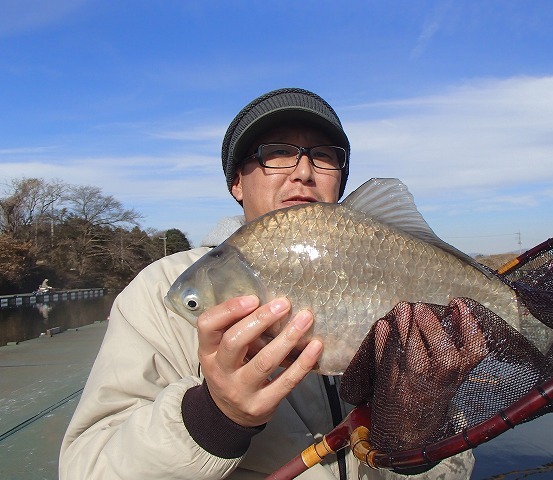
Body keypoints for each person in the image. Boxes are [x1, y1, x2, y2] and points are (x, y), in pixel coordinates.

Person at [59, 88, 477, 479]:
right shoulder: (158, 288)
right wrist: (216, 416)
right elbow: (86, 466)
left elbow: (455, 469)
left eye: (324, 156)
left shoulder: (390, 257)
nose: (303, 171)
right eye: (277, 153)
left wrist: (415, 424)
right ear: (237, 183)